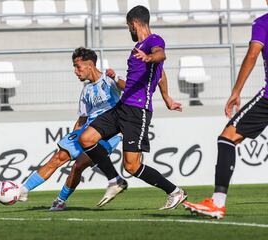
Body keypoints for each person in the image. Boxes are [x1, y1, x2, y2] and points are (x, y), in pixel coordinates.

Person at [78, 5, 187, 211]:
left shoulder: (154, 41)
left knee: (132, 166)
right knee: (87, 138)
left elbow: (161, 56)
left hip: (138, 111)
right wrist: (166, 97)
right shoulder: (137, 48)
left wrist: (150, 59)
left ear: (134, 23)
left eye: (129, 26)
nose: (129, 30)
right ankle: (114, 180)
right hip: (122, 107)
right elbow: (158, 75)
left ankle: (175, 191)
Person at [19, 47, 128, 211]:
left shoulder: (108, 80)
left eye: (78, 67)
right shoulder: (86, 90)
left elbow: (128, 88)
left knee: (79, 165)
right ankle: (22, 190)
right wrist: (74, 135)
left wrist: (116, 77)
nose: (75, 71)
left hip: (108, 133)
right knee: (57, 158)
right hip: (86, 131)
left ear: (90, 65)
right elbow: (82, 118)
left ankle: (60, 200)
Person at [183, 10, 268, 219]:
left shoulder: (263, 22)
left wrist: (236, 91)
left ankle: (217, 203)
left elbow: (252, 53)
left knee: (227, 138)